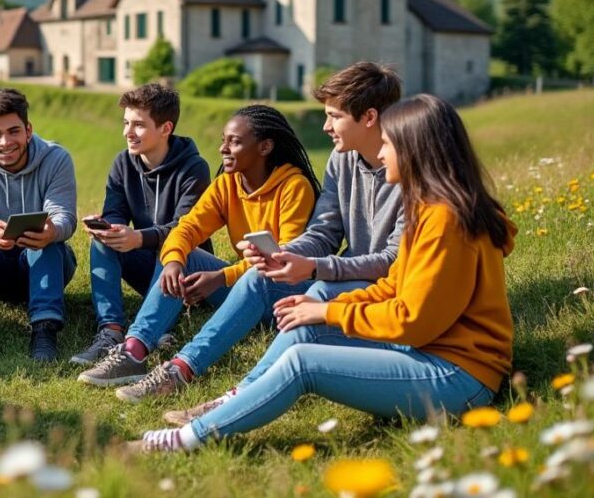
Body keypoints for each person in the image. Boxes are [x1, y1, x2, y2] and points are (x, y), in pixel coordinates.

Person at [131, 94, 515, 453]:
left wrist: (330, 311)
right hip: (427, 350)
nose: (380, 153)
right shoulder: (430, 211)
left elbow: (411, 321)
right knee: (303, 324)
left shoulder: (445, 222)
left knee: (304, 363)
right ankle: (234, 401)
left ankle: (183, 440)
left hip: (458, 374)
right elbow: (394, 287)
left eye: (388, 144)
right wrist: (318, 307)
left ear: (416, 152)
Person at [157, 61, 406, 423]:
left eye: (334, 116)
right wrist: (282, 254)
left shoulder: (410, 168)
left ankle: (237, 397)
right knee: (260, 276)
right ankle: (180, 368)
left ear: (368, 117)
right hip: (343, 276)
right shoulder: (341, 159)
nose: (325, 127)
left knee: (318, 292)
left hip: (381, 287)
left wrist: (318, 267)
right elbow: (324, 232)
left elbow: (393, 259)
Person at [78, 105, 319, 401]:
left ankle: (178, 369)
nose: (223, 149)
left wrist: (221, 277)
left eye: (234, 142)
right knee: (186, 256)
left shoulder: (295, 187)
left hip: (284, 296)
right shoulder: (227, 184)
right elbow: (186, 227)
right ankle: (134, 351)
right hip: (245, 288)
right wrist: (173, 261)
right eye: (223, 140)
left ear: (265, 147)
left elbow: (280, 262)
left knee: (258, 271)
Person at [71, 83, 212, 365]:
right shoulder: (123, 163)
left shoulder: (194, 168)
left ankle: (157, 325)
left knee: (173, 248)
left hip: (184, 269)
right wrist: (108, 228)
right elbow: (115, 213)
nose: (127, 133)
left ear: (165, 128)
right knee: (102, 243)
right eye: (125, 123)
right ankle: (110, 331)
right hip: (145, 262)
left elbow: (185, 229)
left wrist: (138, 238)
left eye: (138, 125)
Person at [0, 88, 78, 363]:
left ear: (28, 130)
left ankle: (45, 329)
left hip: (47, 264)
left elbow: (64, 216)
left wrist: (52, 231)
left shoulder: (57, 159)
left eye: (14, 131)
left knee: (49, 245)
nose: (5, 142)